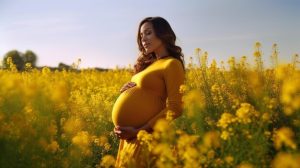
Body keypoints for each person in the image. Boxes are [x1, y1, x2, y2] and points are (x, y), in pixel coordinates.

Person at [111, 16, 185, 167]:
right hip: (130, 138)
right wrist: (125, 91)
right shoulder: (149, 65)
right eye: (141, 35)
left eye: (148, 33)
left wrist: (138, 131)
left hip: (145, 137)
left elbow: (175, 108)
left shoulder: (172, 64)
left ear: (162, 34)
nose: (143, 39)